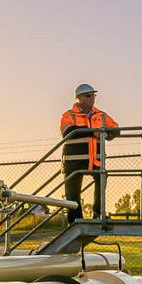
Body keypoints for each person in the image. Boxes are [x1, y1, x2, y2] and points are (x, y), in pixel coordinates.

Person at [59, 84, 120, 224]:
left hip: (95, 159)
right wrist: (92, 132)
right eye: (88, 96)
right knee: (73, 192)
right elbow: (67, 131)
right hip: (73, 161)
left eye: (93, 95)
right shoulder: (68, 115)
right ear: (79, 98)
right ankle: (75, 220)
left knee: (101, 178)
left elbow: (116, 129)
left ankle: (98, 213)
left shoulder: (101, 115)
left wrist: (106, 134)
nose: (91, 98)